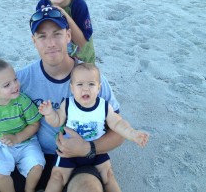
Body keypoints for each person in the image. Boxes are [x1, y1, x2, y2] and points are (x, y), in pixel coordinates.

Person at [0, 6, 125, 192]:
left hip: (76, 162)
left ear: (68, 36)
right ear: (34, 41)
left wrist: (88, 148)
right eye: (42, 36)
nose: (51, 43)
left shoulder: (89, 79)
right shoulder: (18, 81)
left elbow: (119, 132)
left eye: (57, 34)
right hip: (25, 154)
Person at [39, 63, 149, 192]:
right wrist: (49, 113)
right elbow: (57, 121)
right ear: (72, 88)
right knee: (57, 176)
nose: (85, 89)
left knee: (108, 175)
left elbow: (118, 123)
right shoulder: (68, 104)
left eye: (91, 84)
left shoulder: (104, 106)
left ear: (99, 88)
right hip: (68, 152)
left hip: (96, 151)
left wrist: (132, 134)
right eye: (80, 84)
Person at [0, 58, 45, 192]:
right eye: (7, 85)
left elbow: (35, 123)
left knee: (37, 166)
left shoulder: (22, 101)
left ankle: (29, 189)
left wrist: (17, 137)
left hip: (26, 142)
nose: (15, 85)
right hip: (1, 145)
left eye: (15, 79)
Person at [36, 0, 96, 64]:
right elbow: (41, 36)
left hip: (81, 59)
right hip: (58, 58)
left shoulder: (79, 5)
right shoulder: (42, 5)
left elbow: (82, 43)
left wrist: (64, 15)